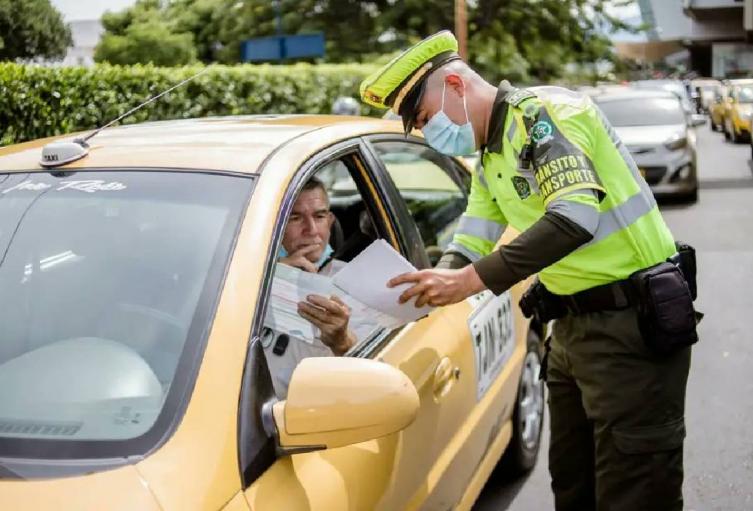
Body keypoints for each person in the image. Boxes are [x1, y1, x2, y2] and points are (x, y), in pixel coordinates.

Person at [359, 31, 698, 511]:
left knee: (636, 490)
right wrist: (420, 286)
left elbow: (575, 216)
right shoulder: (491, 156)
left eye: (425, 117)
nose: (430, 132)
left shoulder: (545, 117)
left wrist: (468, 282)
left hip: (631, 326)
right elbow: (469, 242)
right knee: (573, 484)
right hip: (572, 330)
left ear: (455, 84)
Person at [263, 177, 356, 398]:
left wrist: (342, 341)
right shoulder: (242, 280)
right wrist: (268, 279)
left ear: (330, 222)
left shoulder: (356, 284)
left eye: (319, 216)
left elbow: (375, 375)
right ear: (274, 226)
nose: (311, 230)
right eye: (295, 218)